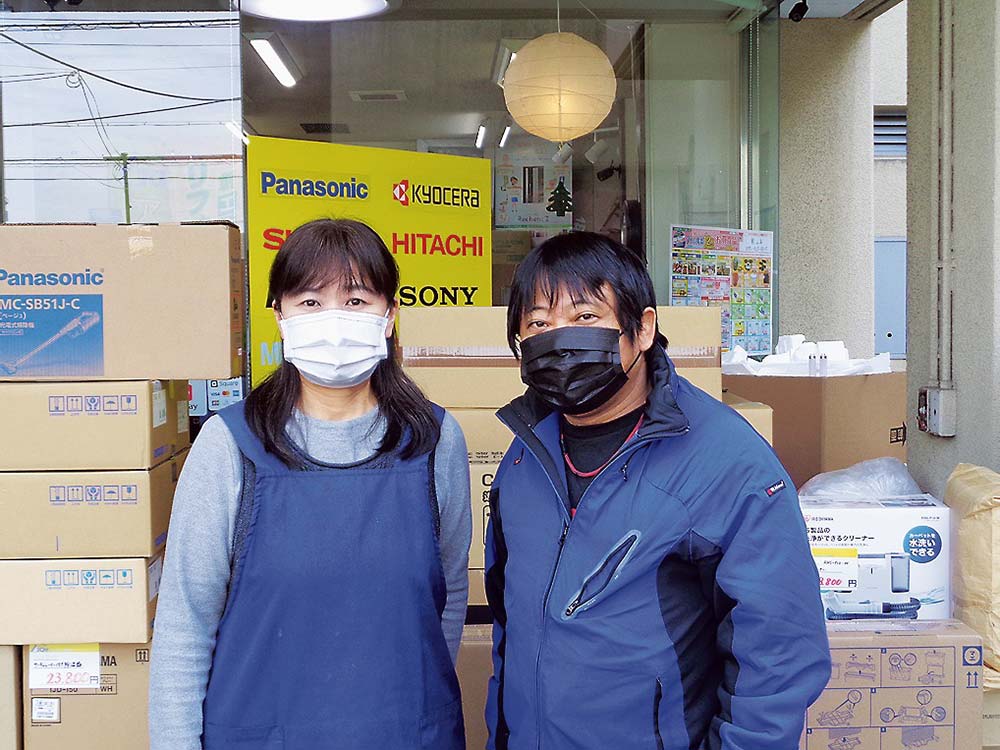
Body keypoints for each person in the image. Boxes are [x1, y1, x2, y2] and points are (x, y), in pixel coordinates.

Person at [484, 232, 830, 750]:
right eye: (538, 323)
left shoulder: (727, 462)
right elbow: (510, 631)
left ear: (642, 328)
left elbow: (779, 654)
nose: (558, 338)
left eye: (583, 317)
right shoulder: (524, 458)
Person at [150, 219, 471, 750]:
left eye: (356, 299)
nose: (335, 320)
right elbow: (185, 627)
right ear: (279, 315)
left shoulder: (435, 441)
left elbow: (449, 595)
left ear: (390, 316)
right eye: (310, 302)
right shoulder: (230, 447)